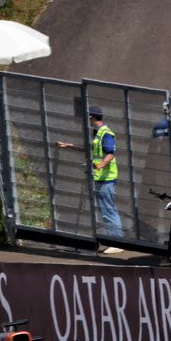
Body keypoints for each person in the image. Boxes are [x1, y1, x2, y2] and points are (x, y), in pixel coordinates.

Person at [56, 106, 124, 247]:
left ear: (92, 118)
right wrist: (68, 145)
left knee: (108, 210)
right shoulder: (97, 133)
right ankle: (113, 239)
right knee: (104, 209)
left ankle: (117, 241)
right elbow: (89, 148)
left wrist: (99, 165)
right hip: (98, 177)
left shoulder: (106, 134)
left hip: (105, 177)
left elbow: (110, 154)